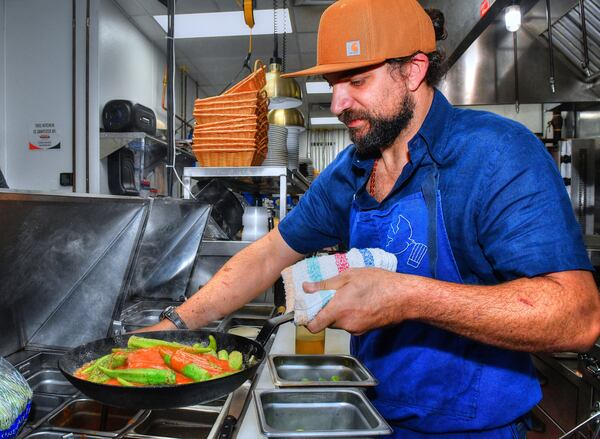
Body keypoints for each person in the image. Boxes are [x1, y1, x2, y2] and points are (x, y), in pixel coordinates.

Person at [144, 0, 600, 436]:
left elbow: (577, 317)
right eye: (333, 83)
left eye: (357, 81)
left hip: (473, 430)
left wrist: (407, 297)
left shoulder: (496, 154)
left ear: (414, 70)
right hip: (372, 415)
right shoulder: (350, 172)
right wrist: (176, 326)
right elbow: (266, 256)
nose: (338, 103)